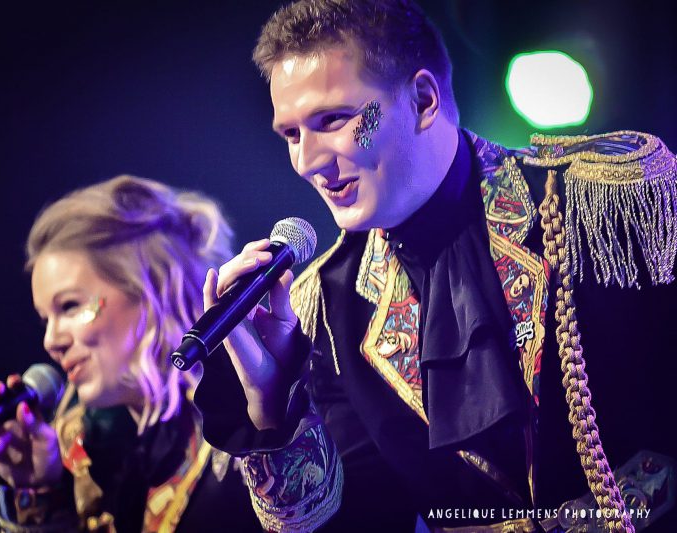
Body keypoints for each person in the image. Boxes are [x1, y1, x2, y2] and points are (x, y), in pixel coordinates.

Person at [192, 1, 677, 532]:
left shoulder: (600, 204)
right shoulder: (332, 306)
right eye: (291, 135)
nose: (308, 162)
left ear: (423, 100)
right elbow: (362, 522)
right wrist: (271, 403)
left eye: (332, 120)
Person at [0, 175, 262, 532]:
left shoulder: (250, 422)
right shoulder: (75, 450)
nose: (51, 341)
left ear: (148, 291)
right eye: (46, 319)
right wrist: (39, 493)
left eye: (70, 306)